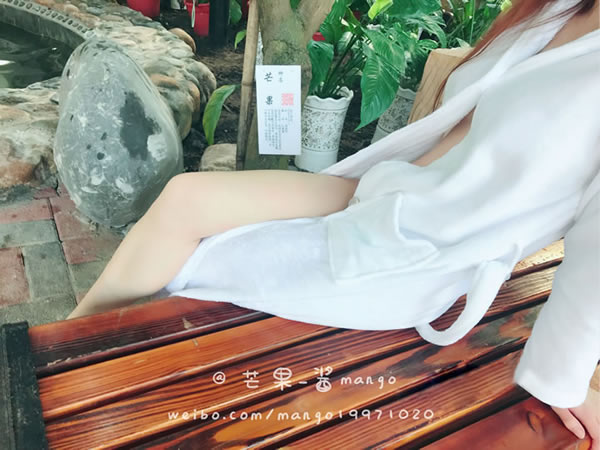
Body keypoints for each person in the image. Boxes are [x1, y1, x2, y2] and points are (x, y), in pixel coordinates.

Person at [66, 0, 599, 445]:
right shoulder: (561, 9)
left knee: (204, 262)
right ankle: (59, 353)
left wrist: (563, 379)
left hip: (417, 250)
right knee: (185, 197)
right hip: (387, 188)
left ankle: (62, 370)